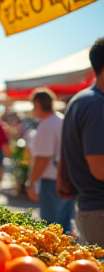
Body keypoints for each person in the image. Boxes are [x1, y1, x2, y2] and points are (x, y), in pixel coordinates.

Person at [58, 37, 104, 246]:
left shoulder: (82, 100)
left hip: (90, 208)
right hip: (98, 211)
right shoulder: (95, 104)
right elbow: (100, 168)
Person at [26, 87, 75, 233]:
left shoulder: (47, 124)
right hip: (68, 178)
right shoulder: (61, 119)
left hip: (52, 181)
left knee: (51, 229)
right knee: (65, 226)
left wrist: (31, 183)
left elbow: (43, 158)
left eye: (33, 105)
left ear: (39, 103)